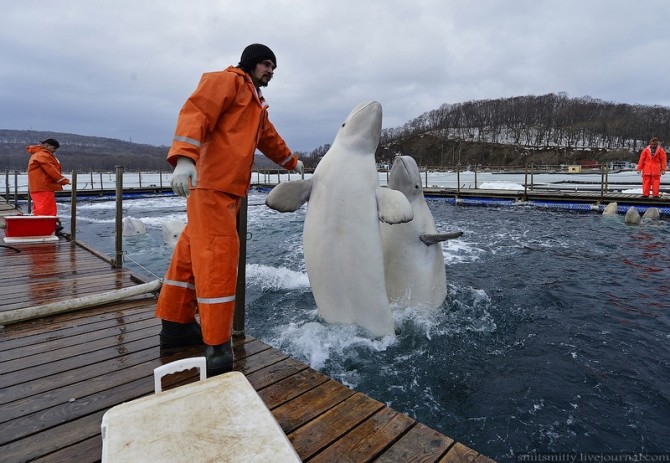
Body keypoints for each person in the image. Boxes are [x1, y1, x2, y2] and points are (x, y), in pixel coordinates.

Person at [155, 43, 303, 377]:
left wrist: (292, 163)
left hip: (226, 189)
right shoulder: (227, 82)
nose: (270, 71)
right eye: (266, 64)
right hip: (212, 186)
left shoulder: (255, 104)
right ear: (250, 63)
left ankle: (176, 327)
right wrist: (183, 157)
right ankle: (218, 347)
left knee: (191, 254)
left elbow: (269, 139)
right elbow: (197, 112)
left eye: (274, 67)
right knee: (219, 258)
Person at [25, 138, 70, 216]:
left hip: (38, 186)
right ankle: (47, 225)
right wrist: (63, 180)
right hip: (44, 186)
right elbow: (50, 169)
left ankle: (41, 225)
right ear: (47, 145)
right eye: (54, 148)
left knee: (40, 208)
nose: (54, 150)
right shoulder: (42, 155)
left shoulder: (38, 154)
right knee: (47, 210)